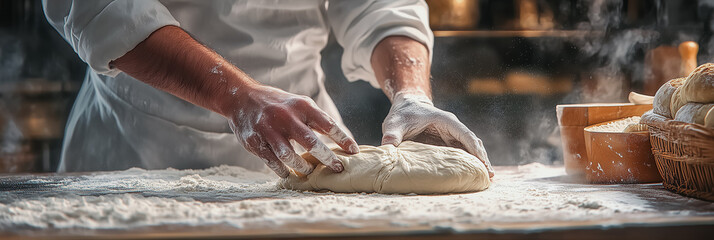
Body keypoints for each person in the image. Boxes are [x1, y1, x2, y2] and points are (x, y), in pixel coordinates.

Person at [43, 0, 494, 178]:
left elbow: (381, 5)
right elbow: (101, 9)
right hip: (138, 144)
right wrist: (238, 96)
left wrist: (409, 92)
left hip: (307, 145)